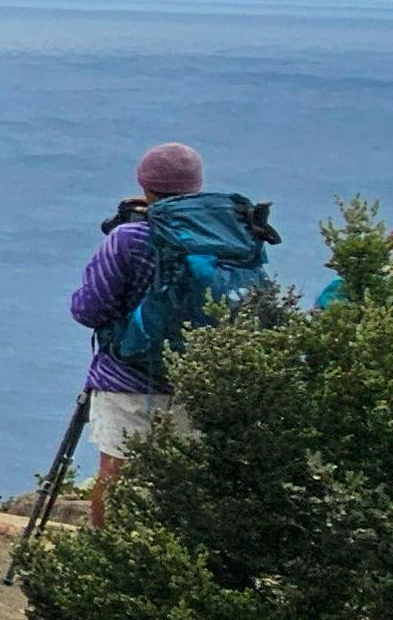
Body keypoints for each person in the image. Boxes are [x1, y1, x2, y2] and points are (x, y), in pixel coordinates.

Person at [66, 140, 271, 527]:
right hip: (202, 376)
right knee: (189, 479)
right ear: (197, 185)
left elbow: (87, 309)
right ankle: (183, 564)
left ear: (144, 186)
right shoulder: (235, 236)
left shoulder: (128, 238)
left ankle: (107, 554)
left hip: (125, 375)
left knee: (115, 472)